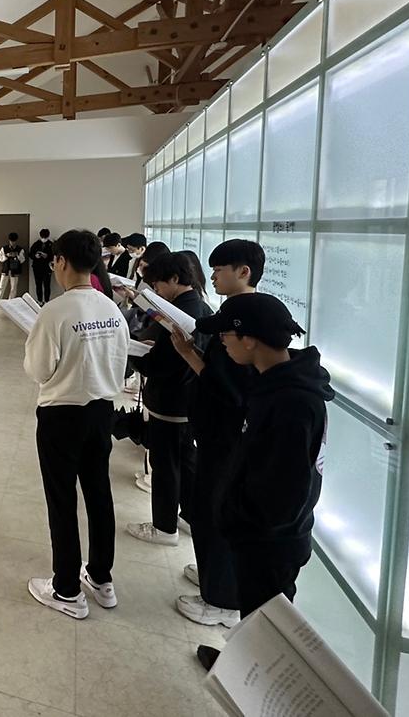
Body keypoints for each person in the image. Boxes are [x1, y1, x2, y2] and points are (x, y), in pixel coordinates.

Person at [191, 292, 333, 670]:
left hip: (270, 541)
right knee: (255, 619)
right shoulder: (272, 384)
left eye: (226, 335)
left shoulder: (293, 404)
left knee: (267, 623)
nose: (222, 343)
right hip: (259, 536)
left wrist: (238, 519)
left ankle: (255, 682)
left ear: (250, 339)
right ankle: (239, 666)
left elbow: (285, 492)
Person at [24, 230, 130, 620]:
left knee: (62, 499)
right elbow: (121, 363)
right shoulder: (111, 308)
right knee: (99, 494)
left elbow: (39, 370)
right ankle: (101, 577)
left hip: (62, 415)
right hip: (102, 412)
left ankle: (67, 590)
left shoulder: (55, 311)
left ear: (61, 262)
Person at [167, 240, 265, 634]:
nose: (212, 277)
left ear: (244, 272)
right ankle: (212, 575)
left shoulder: (250, 321)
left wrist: (191, 357)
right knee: (207, 508)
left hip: (229, 436)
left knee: (219, 511)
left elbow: (232, 389)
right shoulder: (229, 314)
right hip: (213, 430)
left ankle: (222, 599)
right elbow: (216, 377)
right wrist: (188, 353)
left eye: (220, 270)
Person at [125, 252, 213, 547]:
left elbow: (163, 364)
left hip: (170, 401)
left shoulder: (178, 314)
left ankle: (163, 527)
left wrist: (136, 355)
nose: (157, 291)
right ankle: (188, 516)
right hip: (187, 402)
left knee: (164, 465)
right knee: (185, 462)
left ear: (175, 279)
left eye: (158, 285)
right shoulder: (199, 306)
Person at [0, 232, 27, 305]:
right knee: (1, 286)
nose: (12, 243)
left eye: (14, 241)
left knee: (13, 288)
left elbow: (23, 260)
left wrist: (17, 255)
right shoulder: (4, 248)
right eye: (11, 241)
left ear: (16, 241)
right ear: (9, 240)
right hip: (6, 269)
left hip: (15, 270)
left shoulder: (20, 249)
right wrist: (6, 256)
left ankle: (11, 303)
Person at [29, 228, 54, 304]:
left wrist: (47, 256)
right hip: (37, 267)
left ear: (48, 236)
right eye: (43, 237)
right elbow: (30, 254)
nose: (44, 239)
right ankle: (39, 300)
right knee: (38, 284)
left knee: (47, 285)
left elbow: (54, 256)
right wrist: (35, 256)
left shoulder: (51, 245)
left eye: (45, 237)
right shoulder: (36, 244)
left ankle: (46, 301)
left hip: (47, 267)